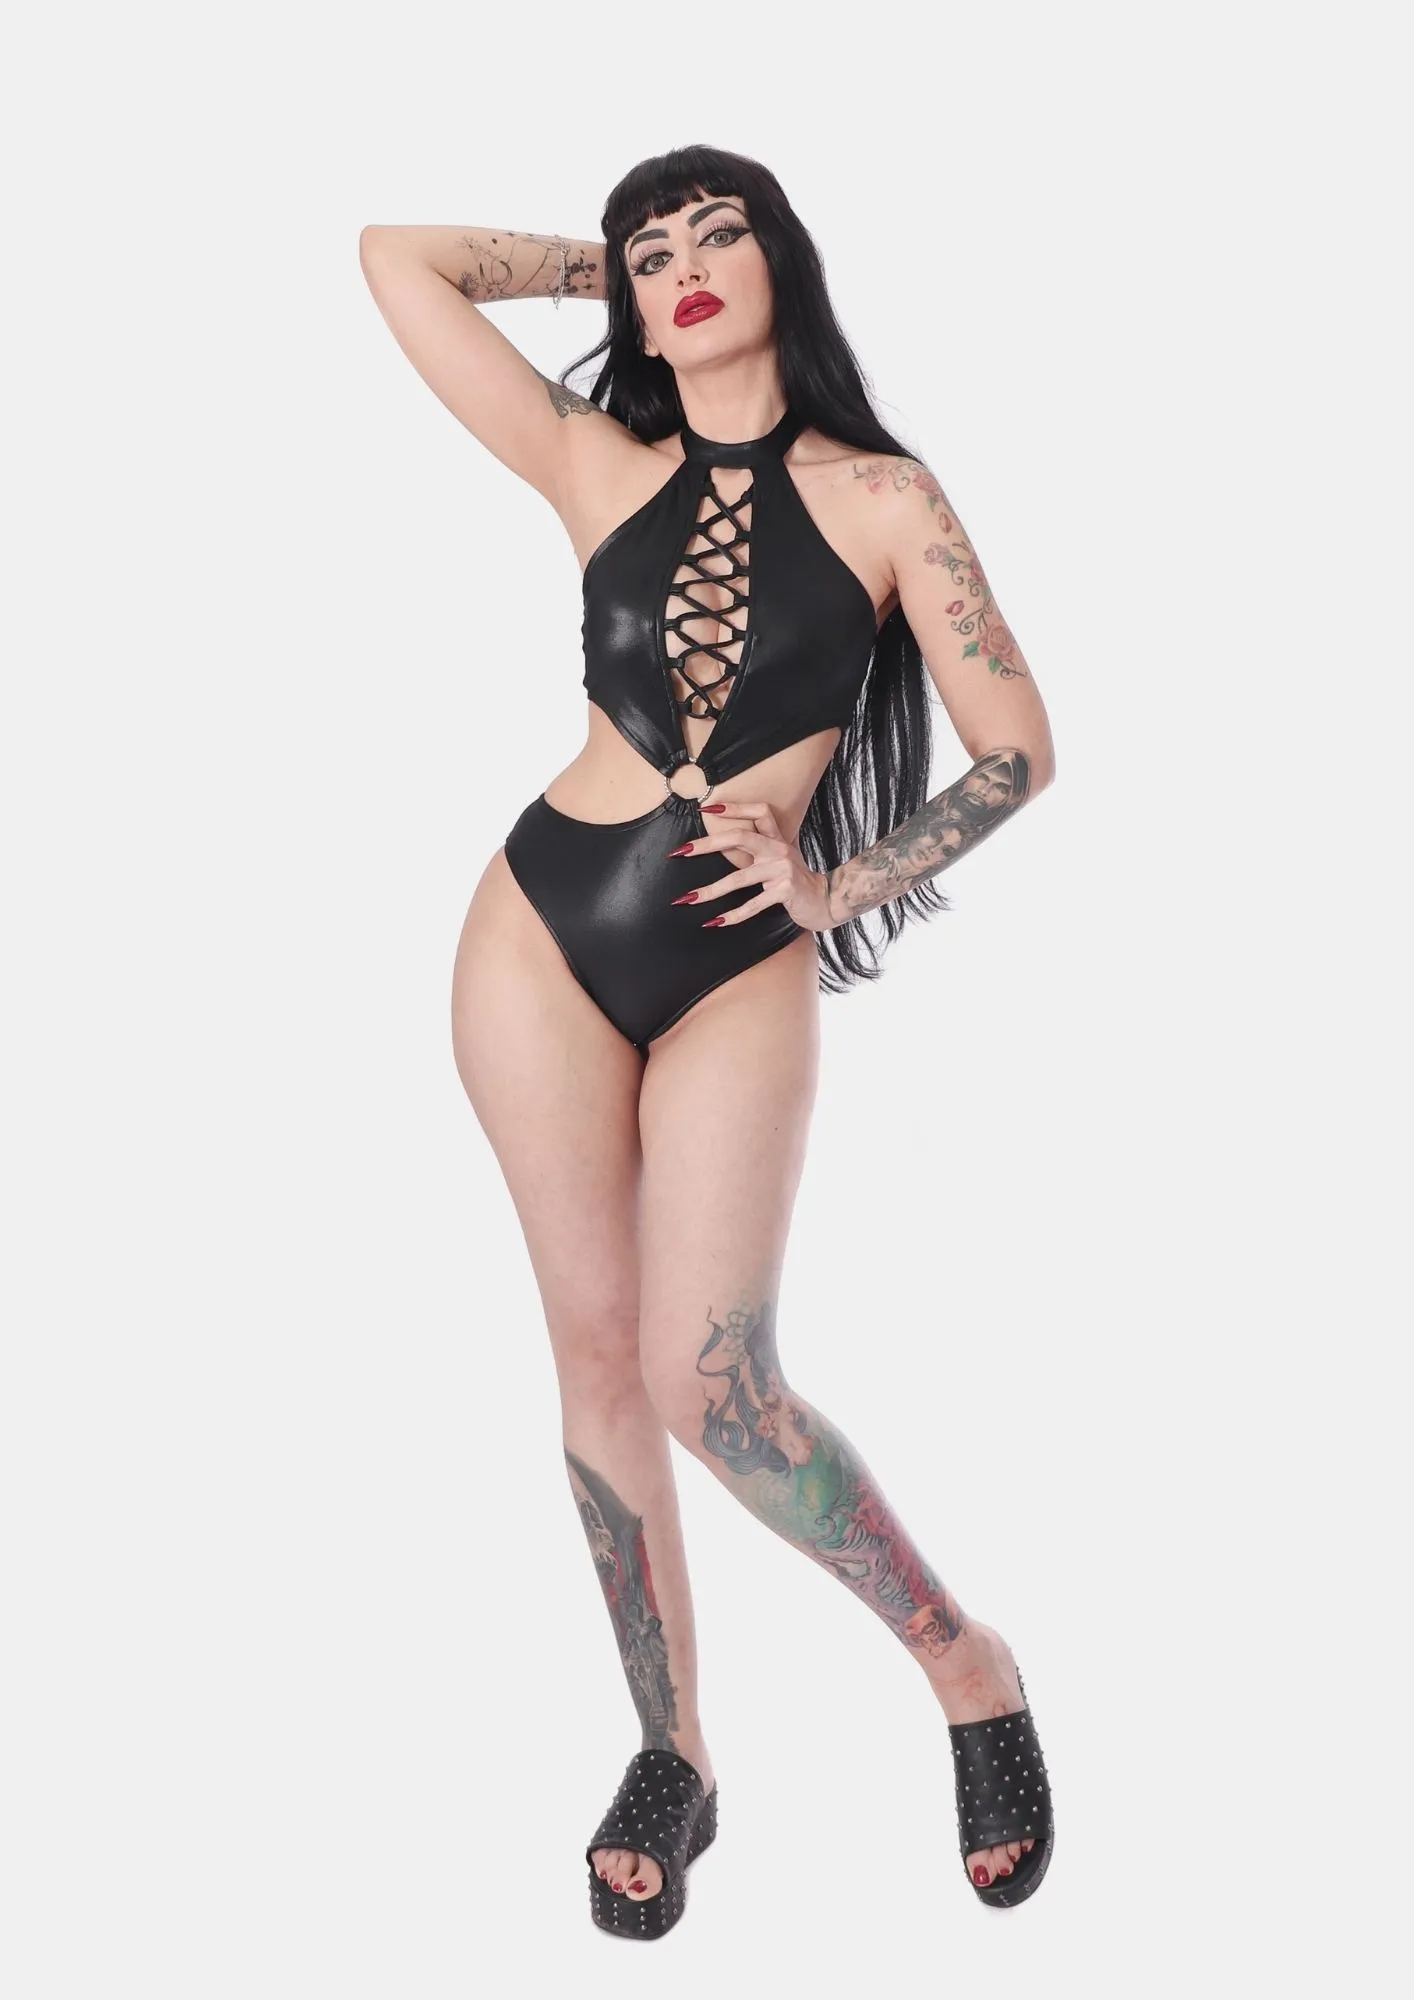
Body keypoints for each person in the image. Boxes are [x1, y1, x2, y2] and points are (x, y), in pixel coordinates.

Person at [359, 144, 1057, 1936]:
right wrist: (599, 271)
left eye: (714, 234)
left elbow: (1016, 749)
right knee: (595, 1357)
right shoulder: (598, 462)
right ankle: (672, 1750)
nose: (679, 264)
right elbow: (395, 255)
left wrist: (833, 887)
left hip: (738, 956)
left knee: (712, 1383)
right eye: (649, 249)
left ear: (781, 260)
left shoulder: (883, 496)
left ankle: (962, 1661)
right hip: (538, 931)